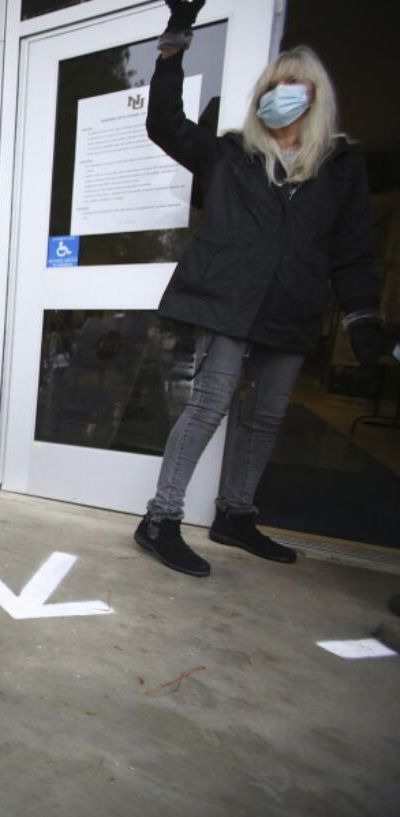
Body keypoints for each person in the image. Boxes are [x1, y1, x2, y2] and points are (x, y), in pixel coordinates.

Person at [134, 0, 384, 577]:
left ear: (315, 96)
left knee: (267, 416)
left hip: (293, 305)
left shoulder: (341, 167)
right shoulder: (230, 155)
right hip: (227, 300)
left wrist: (362, 314)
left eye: (294, 85)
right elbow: (164, 126)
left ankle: (236, 515)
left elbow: (350, 248)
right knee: (209, 405)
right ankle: (159, 519)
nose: (281, 94)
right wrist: (174, 46)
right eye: (273, 85)